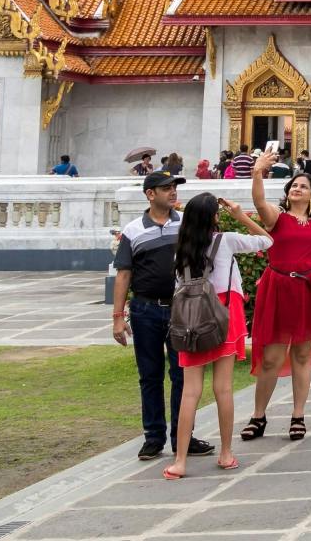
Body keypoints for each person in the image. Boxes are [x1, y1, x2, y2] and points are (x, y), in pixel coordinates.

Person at [241, 149, 311, 444]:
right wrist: (257, 172)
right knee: (271, 358)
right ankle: (258, 416)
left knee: (302, 355)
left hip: (309, 290)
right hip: (278, 289)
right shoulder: (277, 217)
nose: (297, 189)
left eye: (303, 186)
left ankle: (298, 415)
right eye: (293, 186)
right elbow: (259, 201)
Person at [161, 192, 269, 481]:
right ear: (213, 217)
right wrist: (239, 215)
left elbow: (177, 287)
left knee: (189, 391)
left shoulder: (181, 250)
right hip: (223, 314)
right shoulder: (227, 240)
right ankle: (225, 453)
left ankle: (180, 461)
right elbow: (268, 240)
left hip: (191, 319)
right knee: (223, 388)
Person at [113, 170, 212, 461]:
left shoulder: (185, 225)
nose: (172, 192)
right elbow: (124, 274)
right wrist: (118, 316)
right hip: (145, 309)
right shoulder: (133, 230)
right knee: (150, 376)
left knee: (183, 374)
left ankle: (183, 437)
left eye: (174, 187)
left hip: (182, 308)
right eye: (166, 188)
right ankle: (153, 437)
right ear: (150, 194)